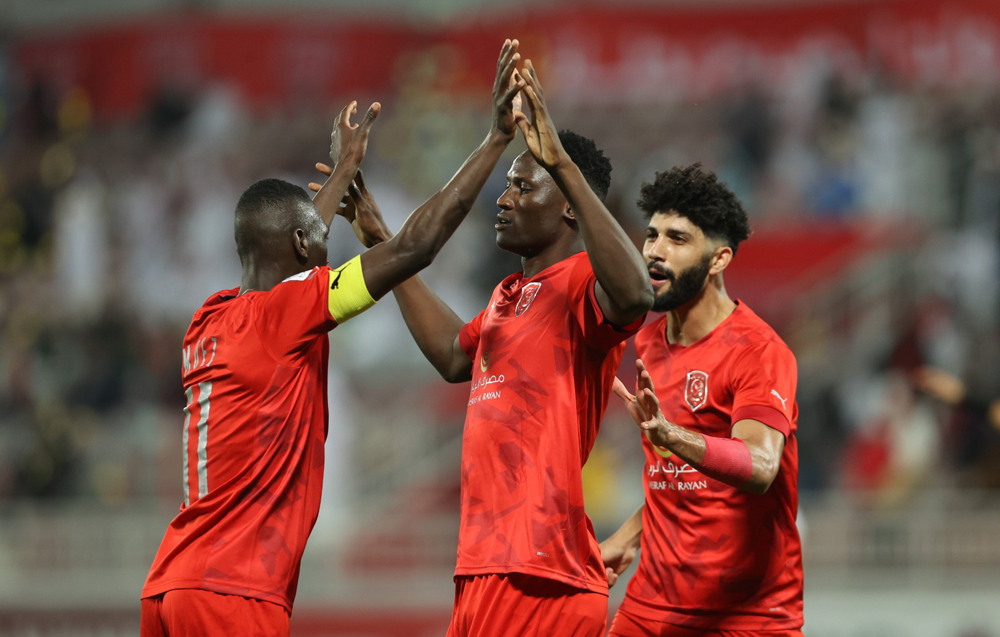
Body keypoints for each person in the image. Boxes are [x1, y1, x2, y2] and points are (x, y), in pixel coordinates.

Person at [140, 39, 527, 637]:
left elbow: (292, 246)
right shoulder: (290, 313)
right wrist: (496, 140)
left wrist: (343, 173)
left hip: (170, 582)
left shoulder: (209, 319)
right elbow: (414, 248)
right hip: (232, 592)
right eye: (319, 240)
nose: (328, 246)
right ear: (301, 249)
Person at [317, 60, 653, 636]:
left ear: (569, 204)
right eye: (506, 186)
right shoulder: (509, 295)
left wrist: (563, 164)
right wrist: (380, 239)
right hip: (483, 567)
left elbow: (636, 294)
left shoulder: (581, 286)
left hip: (543, 577)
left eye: (524, 186)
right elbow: (453, 354)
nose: (503, 199)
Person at [601, 164, 804, 636]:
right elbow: (676, 479)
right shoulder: (648, 341)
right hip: (653, 604)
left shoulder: (759, 352)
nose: (654, 251)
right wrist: (627, 538)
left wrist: (672, 435)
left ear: (718, 260)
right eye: (651, 235)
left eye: (677, 238)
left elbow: (759, 466)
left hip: (750, 614)